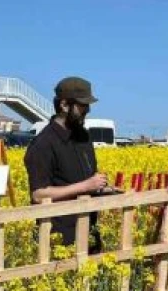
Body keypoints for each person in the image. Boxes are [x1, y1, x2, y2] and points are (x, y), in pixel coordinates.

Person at [24, 76, 114, 252]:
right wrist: (85, 185)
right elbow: (39, 194)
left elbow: (87, 182)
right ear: (64, 105)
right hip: (60, 243)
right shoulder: (43, 144)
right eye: (82, 105)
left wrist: (103, 188)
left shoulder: (83, 137)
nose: (87, 110)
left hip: (90, 236)